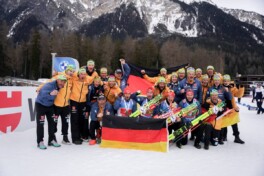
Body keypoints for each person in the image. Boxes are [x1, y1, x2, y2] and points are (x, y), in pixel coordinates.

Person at [35, 75, 67, 149]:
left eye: (64, 82)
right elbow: (42, 93)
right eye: (61, 81)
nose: (63, 83)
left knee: (52, 123)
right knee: (40, 124)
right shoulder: (49, 85)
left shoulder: (60, 86)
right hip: (41, 105)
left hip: (50, 106)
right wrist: (50, 93)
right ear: (57, 80)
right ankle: (40, 141)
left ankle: (51, 140)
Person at [70, 68, 93, 145]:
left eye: (84, 74)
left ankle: (79, 136)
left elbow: (93, 77)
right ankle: (75, 138)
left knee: (81, 119)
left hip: (83, 102)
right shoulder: (74, 79)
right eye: (81, 74)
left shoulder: (87, 81)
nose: (82, 75)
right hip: (74, 101)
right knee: (74, 119)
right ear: (78, 74)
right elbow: (68, 73)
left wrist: (85, 74)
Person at [53, 65, 75, 145]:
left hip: (66, 105)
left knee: (65, 122)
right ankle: (53, 136)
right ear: (66, 70)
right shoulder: (59, 76)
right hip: (56, 105)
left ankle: (65, 138)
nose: (71, 73)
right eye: (70, 71)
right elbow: (49, 82)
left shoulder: (72, 79)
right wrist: (38, 89)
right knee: (54, 122)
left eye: (72, 71)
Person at [221, 74, 245, 144]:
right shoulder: (221, 87)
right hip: (224, 107)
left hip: (232, 108)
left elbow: (239, 95)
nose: (226, 82)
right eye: (224, 81)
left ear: (229, 81)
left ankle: (236, 137)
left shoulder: (232, 87)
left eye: (227, 81)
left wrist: (241, 87)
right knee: (224, 123)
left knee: (234, 123)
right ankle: (223, 136)